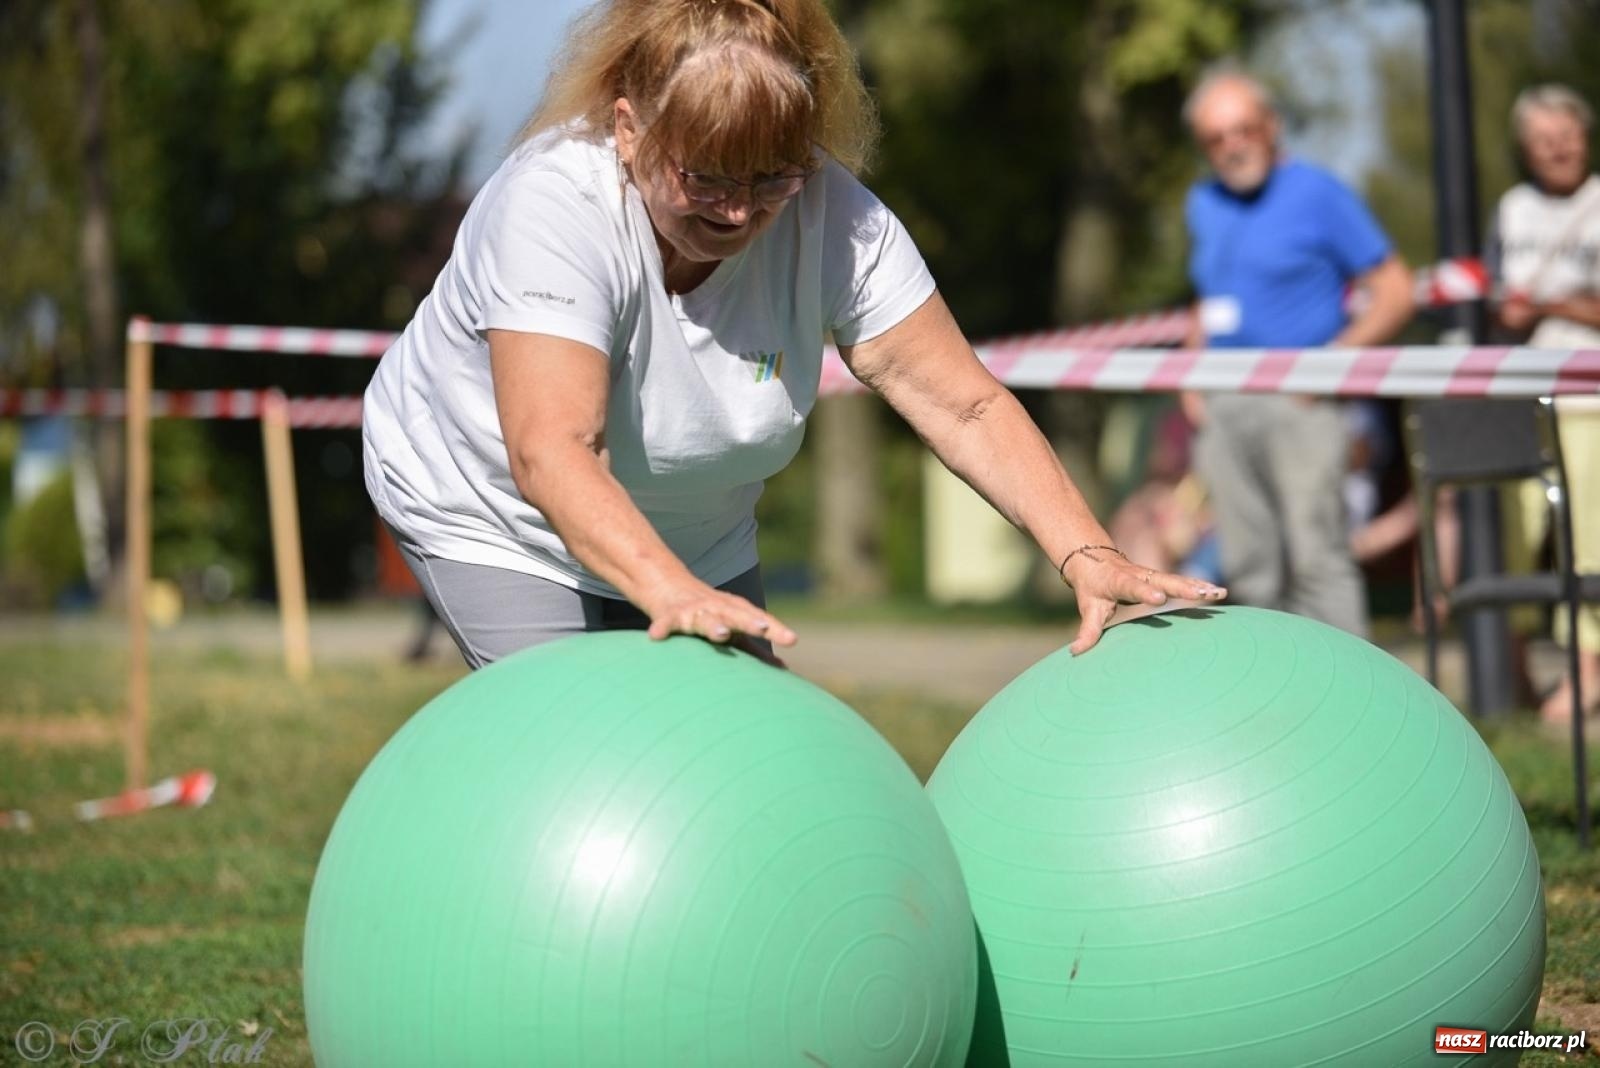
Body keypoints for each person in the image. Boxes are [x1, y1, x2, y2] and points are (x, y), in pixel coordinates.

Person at [362, 0, 1226, 669]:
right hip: (491, 510)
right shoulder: (552, 206)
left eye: (773, 176)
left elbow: (963, 406)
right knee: (585, 755)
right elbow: (553, 450)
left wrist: (1089, 552)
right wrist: (670, 594)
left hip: (697, 532)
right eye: (704, 176)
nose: (739, 211)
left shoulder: (838, 217)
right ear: (629, 130)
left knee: (749, 772)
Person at [1179, 67, 1414, 639]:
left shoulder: (1319, 192)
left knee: (1318, 560)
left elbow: (1396, 291)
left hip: (1301, 403)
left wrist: (1325, 367)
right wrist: (1189, 376)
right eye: (1217, 137)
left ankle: (1354, 702)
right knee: (1246, 569)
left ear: (1271, 126)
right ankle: (1271, 706)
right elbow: (1208, 298)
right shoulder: (1203, 203)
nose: (1233, 145)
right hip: (1225, 406)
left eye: (1244, 129)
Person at [1488, 83, 1600, 722]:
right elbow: (1493, 298)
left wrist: (1550, 304)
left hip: (1589, 396)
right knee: (1521, 533)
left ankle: (1587, 671)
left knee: (1586, 535)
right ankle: (1520, 671)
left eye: (1567, 134)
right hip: (1522, 391)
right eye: (1544, 139)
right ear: (1527, 151)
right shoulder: (1511, 209)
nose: (1558, 149)